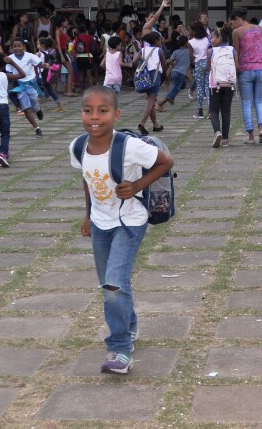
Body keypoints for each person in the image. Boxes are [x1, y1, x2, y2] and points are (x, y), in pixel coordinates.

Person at [70, 85, 175, 375]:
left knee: (114, 283)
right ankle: (128, 325)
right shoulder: (78, 146)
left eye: (103, 111)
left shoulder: (129, 147)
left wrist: (137, 186)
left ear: (115, 115)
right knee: (109, 283)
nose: (95, 117)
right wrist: (88, 215)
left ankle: (119, 348)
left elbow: (166, 161)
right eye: (88, 110)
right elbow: (87, 179)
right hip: (101, 224)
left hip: (130, 221)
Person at [230, 9, 262, 145]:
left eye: (232, 22)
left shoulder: (237, 32)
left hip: (245, 70)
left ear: (237, 19)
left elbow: (236, 53)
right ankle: (261, 129)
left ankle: (251, 136)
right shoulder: (260, 29)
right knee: (259, 101)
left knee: (246, 102)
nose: (232, 25)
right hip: (261, 69)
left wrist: (236, 68)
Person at [8, 36, 44, 135]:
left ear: (24, 46)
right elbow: (9, 72)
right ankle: (36, 128)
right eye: (15, 46)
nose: (17, 48)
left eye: (19, 46)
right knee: (26, 107)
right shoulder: (10, 58)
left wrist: (45, 65)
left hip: (31, 83)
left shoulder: (29, 56)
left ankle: (38, 109)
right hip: (20, 85)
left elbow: (39, 63)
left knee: (34, 102)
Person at [208, 26, 236, 147]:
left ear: (218, 38)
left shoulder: (211, 51)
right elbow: (237, 65)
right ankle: (225, 138)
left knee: (213, 110)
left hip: (215, 84)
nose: (211, 39)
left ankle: (217, 132)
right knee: (226, 110)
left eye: (212, 37)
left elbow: (209, 66)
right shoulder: (232, 50)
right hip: (229, 84)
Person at [134, 31, 164, 135]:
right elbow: (163, 64)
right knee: (151, 102)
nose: (161, 42)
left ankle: (155, 125)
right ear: (156, 41)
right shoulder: (159, 50)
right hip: (155, 76)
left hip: (145, 77)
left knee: (150, 100)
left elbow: (134, 61)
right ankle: (141, 123)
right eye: (160, 40)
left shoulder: (143, 50)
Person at [157, 35, 191, 111]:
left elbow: (169, 61)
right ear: (186, 43)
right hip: (180, 73)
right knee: (174, 89)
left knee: (182, 85)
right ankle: (160, 104)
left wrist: (163, 63)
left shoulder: (176, 52)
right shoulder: (189, 52)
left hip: (174, 72)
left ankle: (171, 98)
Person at [38, 35, 67, 113]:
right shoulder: (48, 53)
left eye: (38, 44)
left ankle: (35, 105)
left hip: (42, 75)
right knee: (51, 91)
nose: (37, 46)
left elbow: (39, 64)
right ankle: (60, 105)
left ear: (42, 45)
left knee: (35, 89)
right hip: (47, 75)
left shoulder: (40, 54)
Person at [188, 22, 211, 118]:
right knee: (208, 87)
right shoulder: (207, 39)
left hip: (198, 64)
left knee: (200, 88)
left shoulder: (191, 42)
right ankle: (210, 111)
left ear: (193, 31)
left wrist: (194, 62)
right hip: (208, 63)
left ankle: (200, 111)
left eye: (190, 30)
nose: (189, 32)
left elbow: (191, 57)